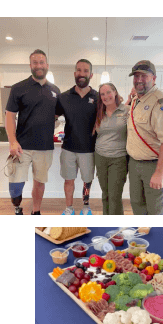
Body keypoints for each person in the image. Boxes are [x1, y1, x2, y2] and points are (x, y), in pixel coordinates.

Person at [4, 49, 61, 215]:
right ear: (30, 65)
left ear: (47, 65)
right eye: (35, 62)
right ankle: (17, 209)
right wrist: (12, 141)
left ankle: (36, 211)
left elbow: (56, 113)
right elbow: (9, 116)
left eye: (42, 62)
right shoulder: (18, 88)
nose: (39, 65)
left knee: (39, 182)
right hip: (22, 146)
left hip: (45, 147)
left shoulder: (55, 91)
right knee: (15, 185)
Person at [127, 60, 163, 215]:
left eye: (144, 76)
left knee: (157, 209)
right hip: (136, 164)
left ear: (154, 78)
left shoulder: (162, 104)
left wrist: (160, 172)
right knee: (138, 206)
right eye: (136, 76)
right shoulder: (138, 99)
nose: (139, 80)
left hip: (155, 164)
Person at [55, 59, 99, 215]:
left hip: (89, 149)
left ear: (91, 75)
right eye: (79, 70)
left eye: (86, 71)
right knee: (69, 180)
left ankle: (86, 207)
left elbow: (110, 114)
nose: (82, 74)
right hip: (68, 148)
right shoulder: (64, 97)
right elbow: (51, 118)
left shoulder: (98, 97)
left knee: (87, 181)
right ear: (75, 73)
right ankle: (69, 209)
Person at [93, 83, 130, 215]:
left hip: (119, 159)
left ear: (115, 92)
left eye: (108, 92)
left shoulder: (126, 110)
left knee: (115, 196)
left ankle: (116, 230)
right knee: (105, 194)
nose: (106, 96)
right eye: (102, 94)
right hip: (100, 157)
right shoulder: (98, 112)